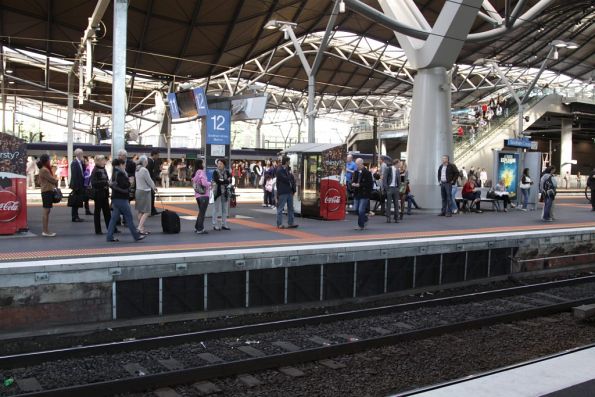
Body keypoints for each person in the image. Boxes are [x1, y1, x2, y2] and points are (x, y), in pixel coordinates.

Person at [106, 159, 145, 242]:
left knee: (113, 219)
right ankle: (136, 236)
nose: (125, 166)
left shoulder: (114, 173)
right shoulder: (120, 173)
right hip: (122, 198)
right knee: (129, 217)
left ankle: (109, 236)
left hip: (116, 198)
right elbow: (124, 185)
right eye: (124, 165)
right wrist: (129, 182)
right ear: (120, 165)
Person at [90, 155, 112, 234]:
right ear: (98, 161)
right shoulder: (95, 170)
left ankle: (110, 228)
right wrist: (105, 183)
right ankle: (98, 230)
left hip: (104, 193)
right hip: (98, 194)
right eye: (103, 160)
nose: (104, 161)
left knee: (107, 212)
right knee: (98, 212)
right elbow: (94, 183)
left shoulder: (103, 169)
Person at [135, 155, 157, 235]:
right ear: (144, 162)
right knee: (147, 211)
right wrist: (154, 187)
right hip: (145, 191)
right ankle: (140, 227)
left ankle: (141, 228)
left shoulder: (137, 169)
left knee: (140, 211)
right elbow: (149, 180)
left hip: (138, 191)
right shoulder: (144, 170)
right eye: (146, 161)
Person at [37, 154, 58, 237]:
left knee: (47, 210)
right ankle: (45, 231)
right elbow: (52, 180)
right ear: (46, 161)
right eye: (49, 159)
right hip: (46, 191)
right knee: (46, 211)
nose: (50, 161)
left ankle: (46, 230)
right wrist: (56, 179)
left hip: (45, 191)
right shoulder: (44, 170)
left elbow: (39, 182)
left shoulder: (42, 169)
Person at [276, 156, 299, 229]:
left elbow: (291, 179)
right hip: (283, 191)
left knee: (291, 208)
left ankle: (291, 223)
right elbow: (286, 179)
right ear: (286, 161)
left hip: (289, 191)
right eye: (289, 161)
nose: (289, 162)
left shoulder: (287, 170)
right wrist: (291, 176)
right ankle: (279, 224)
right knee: (281, 208)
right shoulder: (280, 170)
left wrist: (293, 189)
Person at [352, 158, 373, 230]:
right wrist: (353, 183)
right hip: (357, 193)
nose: (357, 166)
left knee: (361, 210)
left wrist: (360, 185)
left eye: (358, 164)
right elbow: (353, 180)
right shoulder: (356, 172)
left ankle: (360, 225)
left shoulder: (367, 172)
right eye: (356, 164)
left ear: (362, 164)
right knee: (356, 209)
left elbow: (369, 184)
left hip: (364, 194)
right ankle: (365, 218)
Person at [212, 159, 232, 231]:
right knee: (216, 209)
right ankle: (215, 224)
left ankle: (224, 224)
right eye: (218, 163)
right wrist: (225, 181)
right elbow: (217, 180)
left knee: (225, 209)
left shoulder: (227, 172)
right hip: (217, 192)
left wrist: (223, 181)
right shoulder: (215, 172)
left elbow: (230, 180)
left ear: (224, 164)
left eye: (220, 163)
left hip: (225, 192)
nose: (219, 165)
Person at [192, 159, 210, 234]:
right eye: (203, 163)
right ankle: (200, 229)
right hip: (204, 195)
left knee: (200, 212)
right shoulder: (201, 172)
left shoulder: (195, 173)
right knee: (202, 213)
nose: (204, 164)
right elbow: (204, 183)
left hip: (198, 195)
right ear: (200, 164)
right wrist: (210, 183)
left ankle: (197, 227)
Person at [69, 148, 85, 222]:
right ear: (78, 154)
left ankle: (76, 216)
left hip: (80, 184)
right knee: (75, 201)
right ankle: (74, 216)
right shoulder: (74, 163)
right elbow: (74, 175)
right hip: (77, 185)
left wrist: (83, 163)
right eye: (82, 154)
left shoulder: (80, 162)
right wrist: (76, 187)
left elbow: (83, 172)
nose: (83, 155)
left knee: (78, 201)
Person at [383, 158, 400, 223]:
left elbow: (399, 180)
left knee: (396, 203)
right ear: (396, 163)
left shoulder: (397, 170)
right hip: (389, 188)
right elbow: (384, 179)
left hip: (396, 188)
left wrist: (399, 188)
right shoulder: (388, 169)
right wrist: (386, 188)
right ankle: (388, 218)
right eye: (399, 163)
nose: (400, 164)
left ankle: (396, 218)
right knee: (389, 204)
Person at [146, 150, 161, 216]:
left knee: (152, 196)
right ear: (154, 155)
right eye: (157, 155)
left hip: (151, 181)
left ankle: (152, 209)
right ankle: (151, 210)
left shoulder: (153, 161)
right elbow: (149, 173)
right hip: (150, 182)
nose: (158, 156)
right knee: (151, 196)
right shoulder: (149, 161)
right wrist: (151, 183)